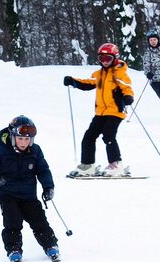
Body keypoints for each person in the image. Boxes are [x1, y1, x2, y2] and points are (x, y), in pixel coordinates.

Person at [0, 116, 60, 262]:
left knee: (39, 220)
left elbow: (43, 170)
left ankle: (50, 245)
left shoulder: (35, 151)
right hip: (7, 194)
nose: (24, 143)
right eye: (20, 138)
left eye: (27, 139)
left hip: (28, 195)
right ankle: (14, 249)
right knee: (12, 221)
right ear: (12, 137)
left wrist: (48, 187)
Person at [63, 42, 135, 177]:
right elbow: (87, 83)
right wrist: (73, 81)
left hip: (115, 111)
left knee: (108, 135)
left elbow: (127, 87)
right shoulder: (99, 74)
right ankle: (87, 165)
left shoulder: (119, 73)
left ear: (115, 58)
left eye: (108, 58)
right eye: (101, 59)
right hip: (101, 112)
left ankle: (116, 165)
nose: (105, 62)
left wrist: (128, 97)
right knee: (89, 136)